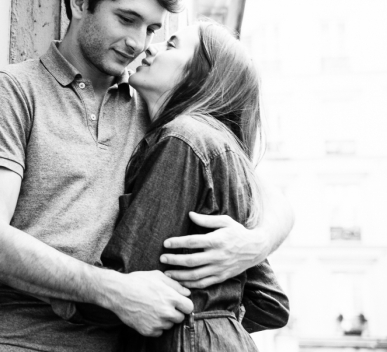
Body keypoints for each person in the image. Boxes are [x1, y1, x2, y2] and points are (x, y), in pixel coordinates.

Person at [0, 0, 294, 351]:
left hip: (134, 342)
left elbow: (261, 189)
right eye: (127, 19)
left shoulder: (155, 111)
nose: (139, 42)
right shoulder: (15, 91)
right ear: (81, 3)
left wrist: (254, 244)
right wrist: (111, 290)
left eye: (153, 29)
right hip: (28, 339)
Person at [49, 20, 290, 350]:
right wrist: (213, 314)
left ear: (201, 76)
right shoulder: (219, 149)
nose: (150, 47)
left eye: (172, 45)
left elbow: (126, 276)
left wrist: (51, 289)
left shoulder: (182, 139)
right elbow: (271, 304)